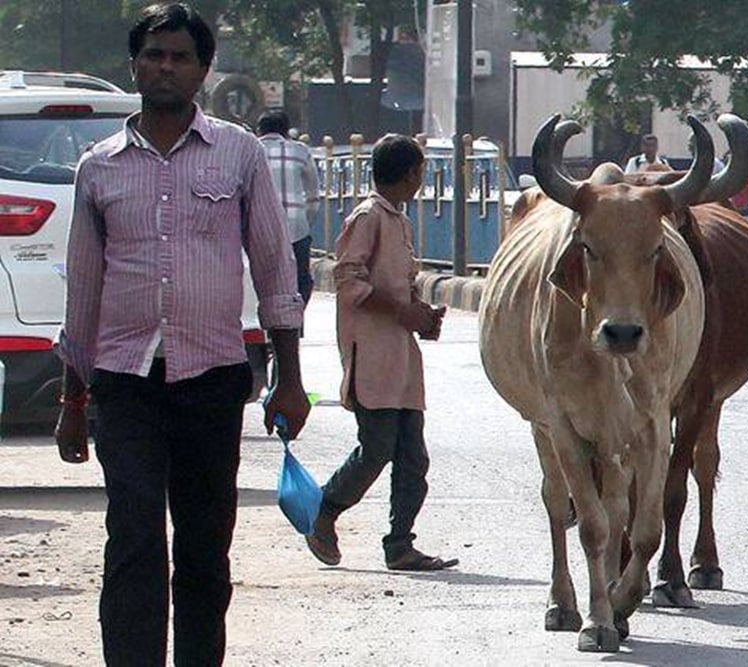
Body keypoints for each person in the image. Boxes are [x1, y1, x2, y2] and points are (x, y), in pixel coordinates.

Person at [53, 4, 310, 665]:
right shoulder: (99, 167)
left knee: (204, 550)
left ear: (203, 71)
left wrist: (289, 379)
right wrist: (72, 401)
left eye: (180, 57)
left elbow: (275, 267)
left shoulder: (239, 154)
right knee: (133, 538)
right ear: (134, 66)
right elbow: (84, 292)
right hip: (125, 385)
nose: (165, 66)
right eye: (154, 55)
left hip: (212, 381)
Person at [304, 134, 458, 572]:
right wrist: (402, 312)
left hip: (400, 357)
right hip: (371, 354)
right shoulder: (368, 217)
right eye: (420, 171)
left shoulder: (399, 222)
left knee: (413, 457)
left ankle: (400, 544)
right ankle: (325, 510)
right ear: (410, 174)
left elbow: (399, 286)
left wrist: (421, 314)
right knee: (375, 450)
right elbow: (349, 280)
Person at [257, 109, 320, 306]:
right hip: (297, 229)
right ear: (286, 131)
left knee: (260, 280)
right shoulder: (301, 150)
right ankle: (295, 316)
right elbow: (313, 196)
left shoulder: (250, 149)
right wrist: (304, 222)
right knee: (301, 280)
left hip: (259, 231)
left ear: (259, 130)